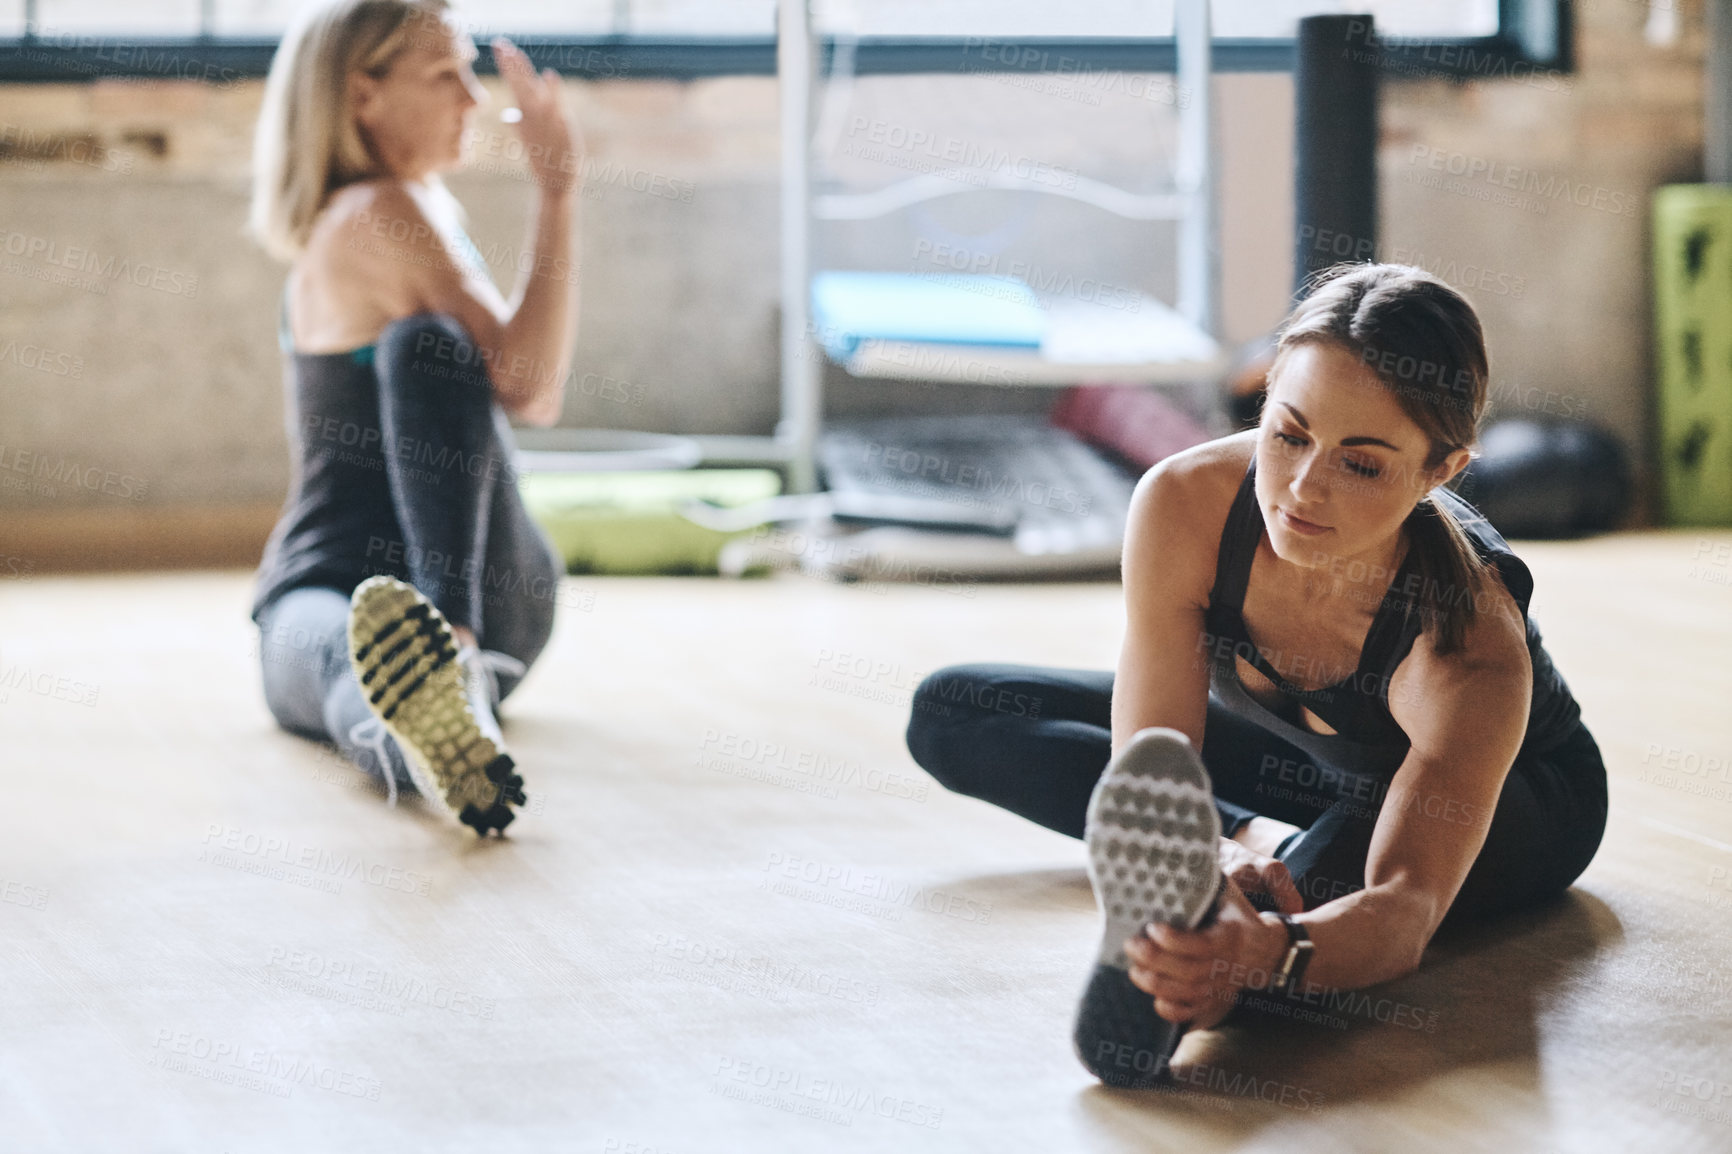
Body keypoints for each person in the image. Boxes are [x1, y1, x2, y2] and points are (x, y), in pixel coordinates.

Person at [905, 263, 1608, 1086]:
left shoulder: (1466, 644)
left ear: (1440, 471)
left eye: (1364, 464)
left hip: (1515, 801)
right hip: (1310, 772)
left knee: (1287, 931)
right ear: (1265, 395)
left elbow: (1403, 911)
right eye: (1290, 433)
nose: (1304, 488)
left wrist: (1263, 953)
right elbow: (1156, 766)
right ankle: (1259, 839)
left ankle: (1224, 956)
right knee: (957, 709)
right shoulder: (1184, 505)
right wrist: (1206, 843)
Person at [245, 0, 582, 835]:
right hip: (445, 603)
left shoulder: (419, 210)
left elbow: (530, 390)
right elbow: (532, 387)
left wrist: (558, 191)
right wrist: (556, 191)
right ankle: (446, 729)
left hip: (442, 593)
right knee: (353, 655)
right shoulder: (375, 212)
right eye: (446, 75)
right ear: (364, 93)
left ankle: (445, 658)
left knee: (429, 344)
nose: (474, 99)